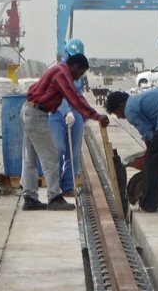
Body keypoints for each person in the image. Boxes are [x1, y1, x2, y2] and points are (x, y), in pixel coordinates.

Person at [21, 53, 109, 211]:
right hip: (37, 114)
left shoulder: (58, 70)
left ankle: (30, 197)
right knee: (52, 157)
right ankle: (54, 197)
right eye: (80, 73)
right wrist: (97, 116)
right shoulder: (62, 74)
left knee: (30, 158)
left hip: (29, 109)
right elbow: (74, 98)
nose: (78, 77)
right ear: (75, 66)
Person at [52, 37, 85, 196]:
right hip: (57, 112)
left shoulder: (79, 73)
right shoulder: (58, 71)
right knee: (57, 148)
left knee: (75, 151)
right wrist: (66, 111)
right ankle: (55, 184)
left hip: (75, 113)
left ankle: (68, 186)